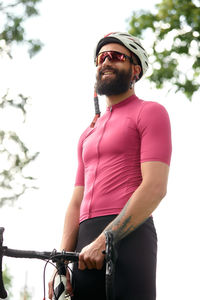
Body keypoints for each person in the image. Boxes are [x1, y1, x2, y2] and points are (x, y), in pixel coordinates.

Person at [48, 32, 172, 300]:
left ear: (135, 70)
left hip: (128, 237)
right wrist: (60, 264)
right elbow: (76, 200)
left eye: (116, 56)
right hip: (84, 243)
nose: (106, 62)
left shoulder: (150, 112)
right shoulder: (87, 134)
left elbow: (155, 187)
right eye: (101, 58)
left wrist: (106, 240)